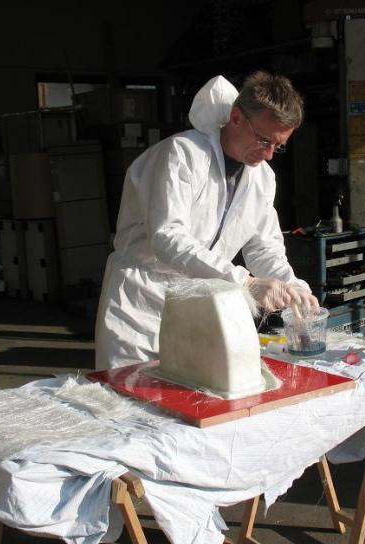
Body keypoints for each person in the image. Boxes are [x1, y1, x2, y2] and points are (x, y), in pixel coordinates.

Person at [94, 71, 319, 371]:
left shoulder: (263, 178)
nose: (268, 155)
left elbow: (264, 247)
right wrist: (246, 282)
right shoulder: (182, 155)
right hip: (140, 302)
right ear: (236, 117)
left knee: (191, 392)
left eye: (278, 146)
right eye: (264, 140)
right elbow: (168, 238)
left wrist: (292, 287)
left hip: (198, 303)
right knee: (130, 392)